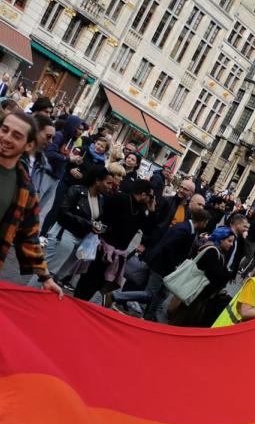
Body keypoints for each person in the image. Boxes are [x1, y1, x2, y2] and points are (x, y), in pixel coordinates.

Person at [0, 112, 62, 297]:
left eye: (16, 135)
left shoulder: (24, 188)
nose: (6, 137)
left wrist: (45, 277)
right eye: (4, 130)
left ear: (28, 145)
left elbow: (29, 234)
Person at [73, 178, 156, 301]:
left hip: (117, 254)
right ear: (143, 194)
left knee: (101, 283)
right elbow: (101, 218)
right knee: (88, 280)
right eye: (151, 197)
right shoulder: (119, 198)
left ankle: (81, 305)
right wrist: (98, 238)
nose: (152, 200)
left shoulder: (141, 210)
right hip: (102, 247)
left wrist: (152, 212)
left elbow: (149, 230)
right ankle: (75, 303)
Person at [44, 163, 117, 282]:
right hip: (64, 236)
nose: (110, 187)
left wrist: (99, 228)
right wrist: (89, 224)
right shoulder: (76, 190)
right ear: (97, 181)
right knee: (46, 274)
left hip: (81, 242)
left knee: (58, 276)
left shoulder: (100, 199)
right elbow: (62, 213)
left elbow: (95, 219)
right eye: (108, 183)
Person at [168, 226, 235, 327]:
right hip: (194, 294)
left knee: (183, 320)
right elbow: (217, 273)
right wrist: (229, 274)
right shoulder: (212, 251)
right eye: (229, 241)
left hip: (196, 294)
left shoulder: (216, 251)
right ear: (221, 239)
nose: (231, 244)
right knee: (181, 321)